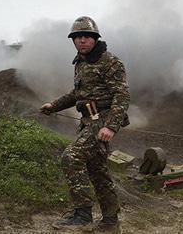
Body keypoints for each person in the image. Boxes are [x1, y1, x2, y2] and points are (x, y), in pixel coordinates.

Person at [40, 16, 130, 232]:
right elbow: (78, 94)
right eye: (78, 36)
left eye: (87, 36)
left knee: (71, 157)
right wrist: (54, 106)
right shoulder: (80, 62)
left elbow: (122, 95)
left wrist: (111, 126)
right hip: (88, 121)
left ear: (95, 38)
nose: (82, 40)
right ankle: (110, 221)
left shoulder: (110, 62)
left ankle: (82, 214)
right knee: (98, 172)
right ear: (73, 40)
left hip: (102, 121)